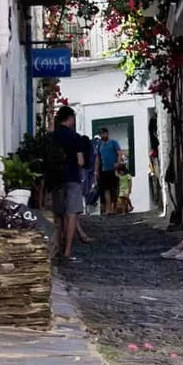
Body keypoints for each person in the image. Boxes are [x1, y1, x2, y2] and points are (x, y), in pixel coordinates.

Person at [48, 106, 94, 260]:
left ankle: (56, 248)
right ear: (69, 118)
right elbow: (80, 161)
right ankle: (67, 251)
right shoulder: (75, 137)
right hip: (72, 178)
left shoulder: (53, 136)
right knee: (71, 214)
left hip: (56, 178)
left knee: (59, 216)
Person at [94, 129, 121, 213]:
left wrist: (118, 163)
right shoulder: (99, 146)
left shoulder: (113, 142)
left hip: (113, 169)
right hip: (104, 170)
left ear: (107, 134)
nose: (103, 135)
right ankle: (108, 209)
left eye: (104, 133)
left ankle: (115, 207)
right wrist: (96, 171)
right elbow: (98, 158)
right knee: (106, 189)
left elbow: (119, 153)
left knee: (114, 189)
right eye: (101, 134)